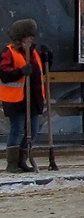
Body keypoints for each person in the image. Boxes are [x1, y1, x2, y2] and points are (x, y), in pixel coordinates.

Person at [0, 19, 46, 173]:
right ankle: (12, 163)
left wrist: (48, 58)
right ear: (20, 38)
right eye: (28, 36)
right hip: (16, 100)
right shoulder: (9, 53)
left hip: (32, 99)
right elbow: (4, 74)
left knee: (33, 130)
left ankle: (22, 160)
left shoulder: (33, 53)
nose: (32, 39)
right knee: (17, 129)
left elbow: (40, 72)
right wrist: (20, 72)